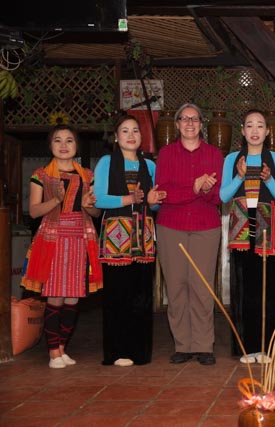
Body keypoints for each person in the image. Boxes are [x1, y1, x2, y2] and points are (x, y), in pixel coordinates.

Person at [21, 125, 102, 369]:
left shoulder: (88, 175)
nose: (63, 145)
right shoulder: (41, 174)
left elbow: (96, 212)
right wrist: (56, 199)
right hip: (53, 239)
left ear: (76, 146)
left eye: (69, 140)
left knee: (73, 298)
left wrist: (88, 205)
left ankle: (63, 347)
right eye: (58, 140)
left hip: (80, 238)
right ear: (50, 146)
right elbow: (34, 211)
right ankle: (53, 351)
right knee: (55, 296)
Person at [94, 114, 166, 367]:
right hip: (117, 236)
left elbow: (153, 206)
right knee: (117, 295)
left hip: (144, 236)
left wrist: (155, 201)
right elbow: (99, 199)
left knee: (142, 296)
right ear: (116, 137)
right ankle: (117, 351)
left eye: (135, 130)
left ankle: (140, 352)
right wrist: (126, 200)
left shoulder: (150, 166)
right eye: (125, 131)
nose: (131, 135)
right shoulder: (106, 162)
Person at [155, 103, 223, 365]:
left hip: (206, 226)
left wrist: (204, 190)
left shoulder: (215, 153)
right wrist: (193, 188)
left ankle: (204, 345)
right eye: (185, 119)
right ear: (177, 125)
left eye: (195, 119)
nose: (190, 123)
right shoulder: (166, 154)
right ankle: (182, 344)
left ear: (202, 124)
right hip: (171, 226)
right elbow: (162, 193)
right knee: (176, 286)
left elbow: (217, 198)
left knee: (202, 287)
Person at [220, 110, 275, 363]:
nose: (255, 130)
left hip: (266, 223)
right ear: (243, 130)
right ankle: (246, 348)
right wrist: (238, 176)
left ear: (267, 132)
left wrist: (269, 179)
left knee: (268, 287)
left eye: (260, 125)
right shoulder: (231, 159)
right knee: (243, 286)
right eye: (250, 125)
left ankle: (268, 347)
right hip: (240, 224)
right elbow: (223, 196)